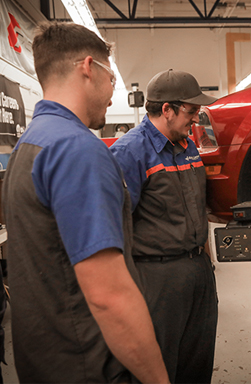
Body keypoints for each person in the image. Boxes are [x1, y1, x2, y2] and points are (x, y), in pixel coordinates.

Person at [2, 22, 169, 383]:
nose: (113, 95)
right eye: (112, 79)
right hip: (90, 366)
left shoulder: (29, 145)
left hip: (46, 361)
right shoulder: (78, 151)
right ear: (88, 68)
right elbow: (108, 296)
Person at [110, 69, 219, 384]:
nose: (196, 118)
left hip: (197, 270)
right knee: (158, 368)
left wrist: (206, 262)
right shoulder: (130, 152)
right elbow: (116, 224)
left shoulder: (188, 146)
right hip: (156, 278)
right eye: (191, 110)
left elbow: (198, 207)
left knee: (197, 363)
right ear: (167, 109)